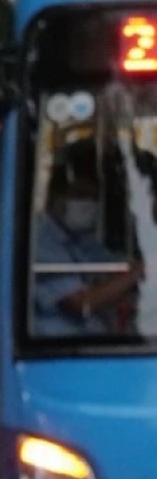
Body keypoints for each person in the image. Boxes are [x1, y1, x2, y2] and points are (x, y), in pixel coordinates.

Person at [34, 140, 141, 336]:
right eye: (80, 195)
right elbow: (80, 303)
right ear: (55, 194)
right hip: (58, 352)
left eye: (94, 198)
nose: (87, 205)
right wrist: (138, 272)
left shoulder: (80, 240)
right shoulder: (41, 241)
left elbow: (115, 265)